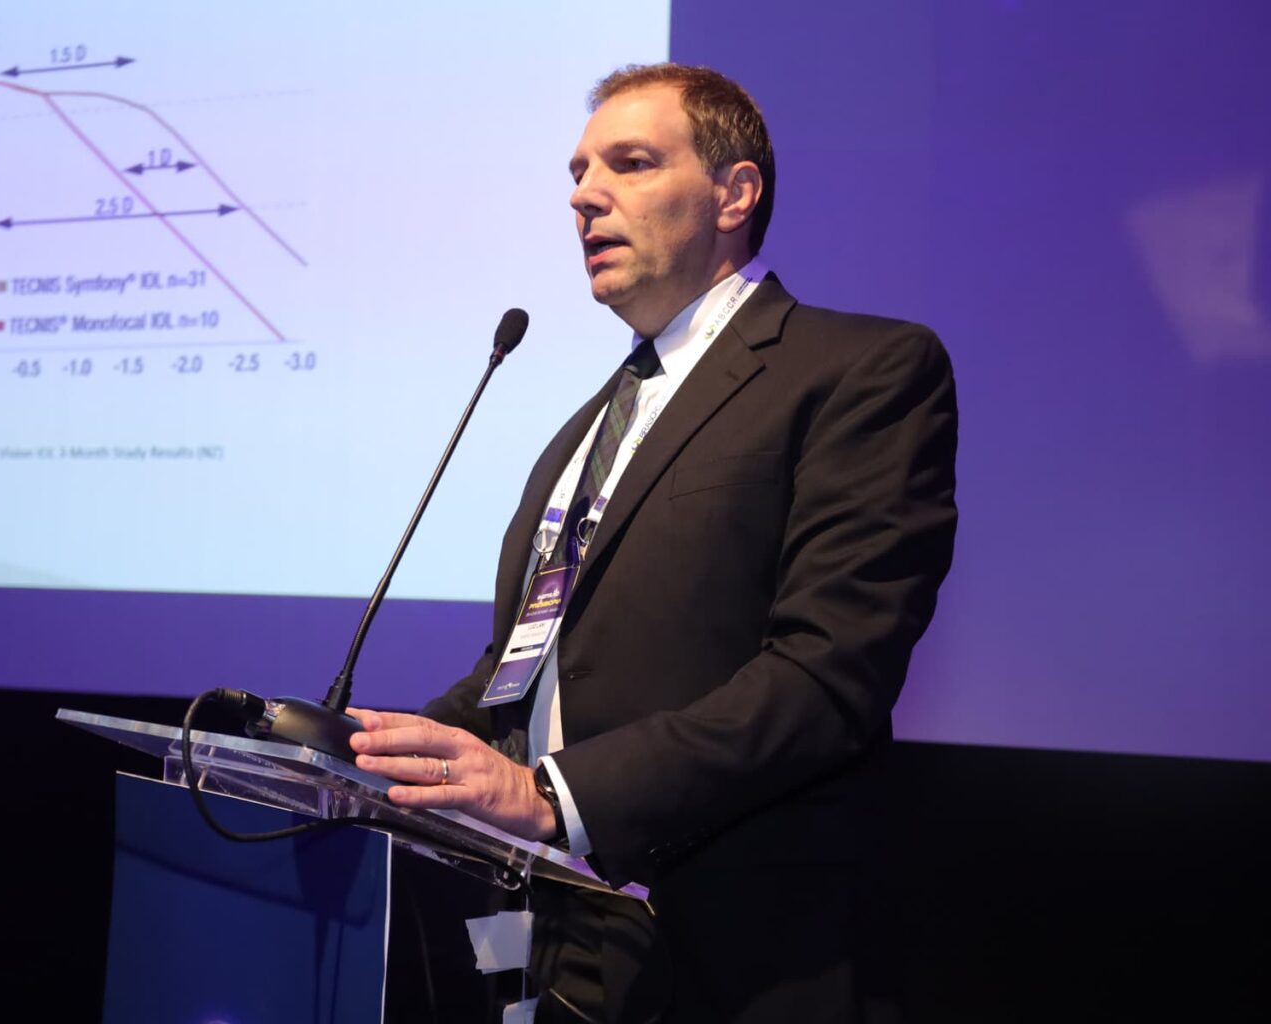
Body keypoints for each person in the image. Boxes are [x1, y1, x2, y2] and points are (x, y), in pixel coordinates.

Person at [348, 62, 957, 1023]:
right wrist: (367, 759)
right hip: (551, 938)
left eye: (629, 164)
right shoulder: (589, 426)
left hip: (735, 951)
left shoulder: (860, 370)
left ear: (734, 194)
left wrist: (557, 796)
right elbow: (524, 670)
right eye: (579, 173)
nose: (585, 196)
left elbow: (828, 675)